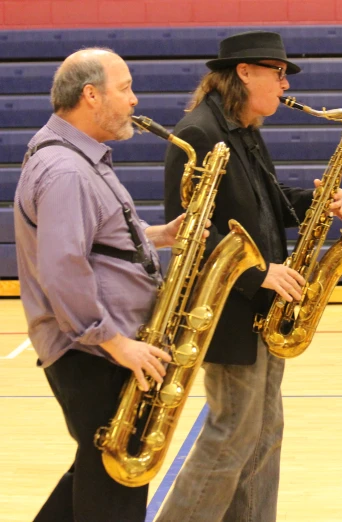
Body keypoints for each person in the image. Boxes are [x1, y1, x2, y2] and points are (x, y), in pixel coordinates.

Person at [155, 31, 342, 522]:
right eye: (278, 72)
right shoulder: (198, 133)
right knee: (231, 436)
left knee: (264, 435)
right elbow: (194, 233)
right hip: (226, 308)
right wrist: (260, 274)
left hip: (263, 310)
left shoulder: (244, 128)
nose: (285, 85)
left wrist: (311, 203)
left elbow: (265, 200)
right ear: (244, 72)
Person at [14, 48, 184, 521]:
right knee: (114, 486)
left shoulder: (76, 158)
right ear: (91, 95)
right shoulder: (66, 171)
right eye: (125, 87)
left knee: (95, 472)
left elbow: (91, 239)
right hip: (95, 353)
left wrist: (157, 236)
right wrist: (116, 344)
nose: (134, 100)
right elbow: (63, 268)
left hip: (101, 348)